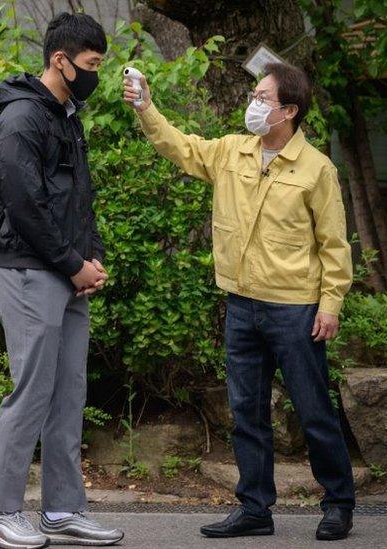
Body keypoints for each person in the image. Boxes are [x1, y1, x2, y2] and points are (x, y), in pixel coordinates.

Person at [124, 63, 355, 541]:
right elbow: (181, 148)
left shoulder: (317, 170)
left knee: (313, 410)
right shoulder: (232, 151)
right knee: (246, 411)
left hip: (296, 309)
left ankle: (338, 504)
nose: (254, 104)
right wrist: (146, 107)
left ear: (289, 110)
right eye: (254, 94)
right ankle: (254, 508)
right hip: (242, 305)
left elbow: (335, 245)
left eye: (263, 98)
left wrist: (330, 305)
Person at [0, 12, 125, 549]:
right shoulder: (21, 118)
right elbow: (23, 205)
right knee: (31, 390)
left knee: (68, 393)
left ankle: (61, 511)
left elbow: (78, 198)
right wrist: (71, 263)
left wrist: (92, 260)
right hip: (26, 270)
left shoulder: (66, 115)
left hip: (65, 272)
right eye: (90, 64)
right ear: (59, 60)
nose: (95, 74)